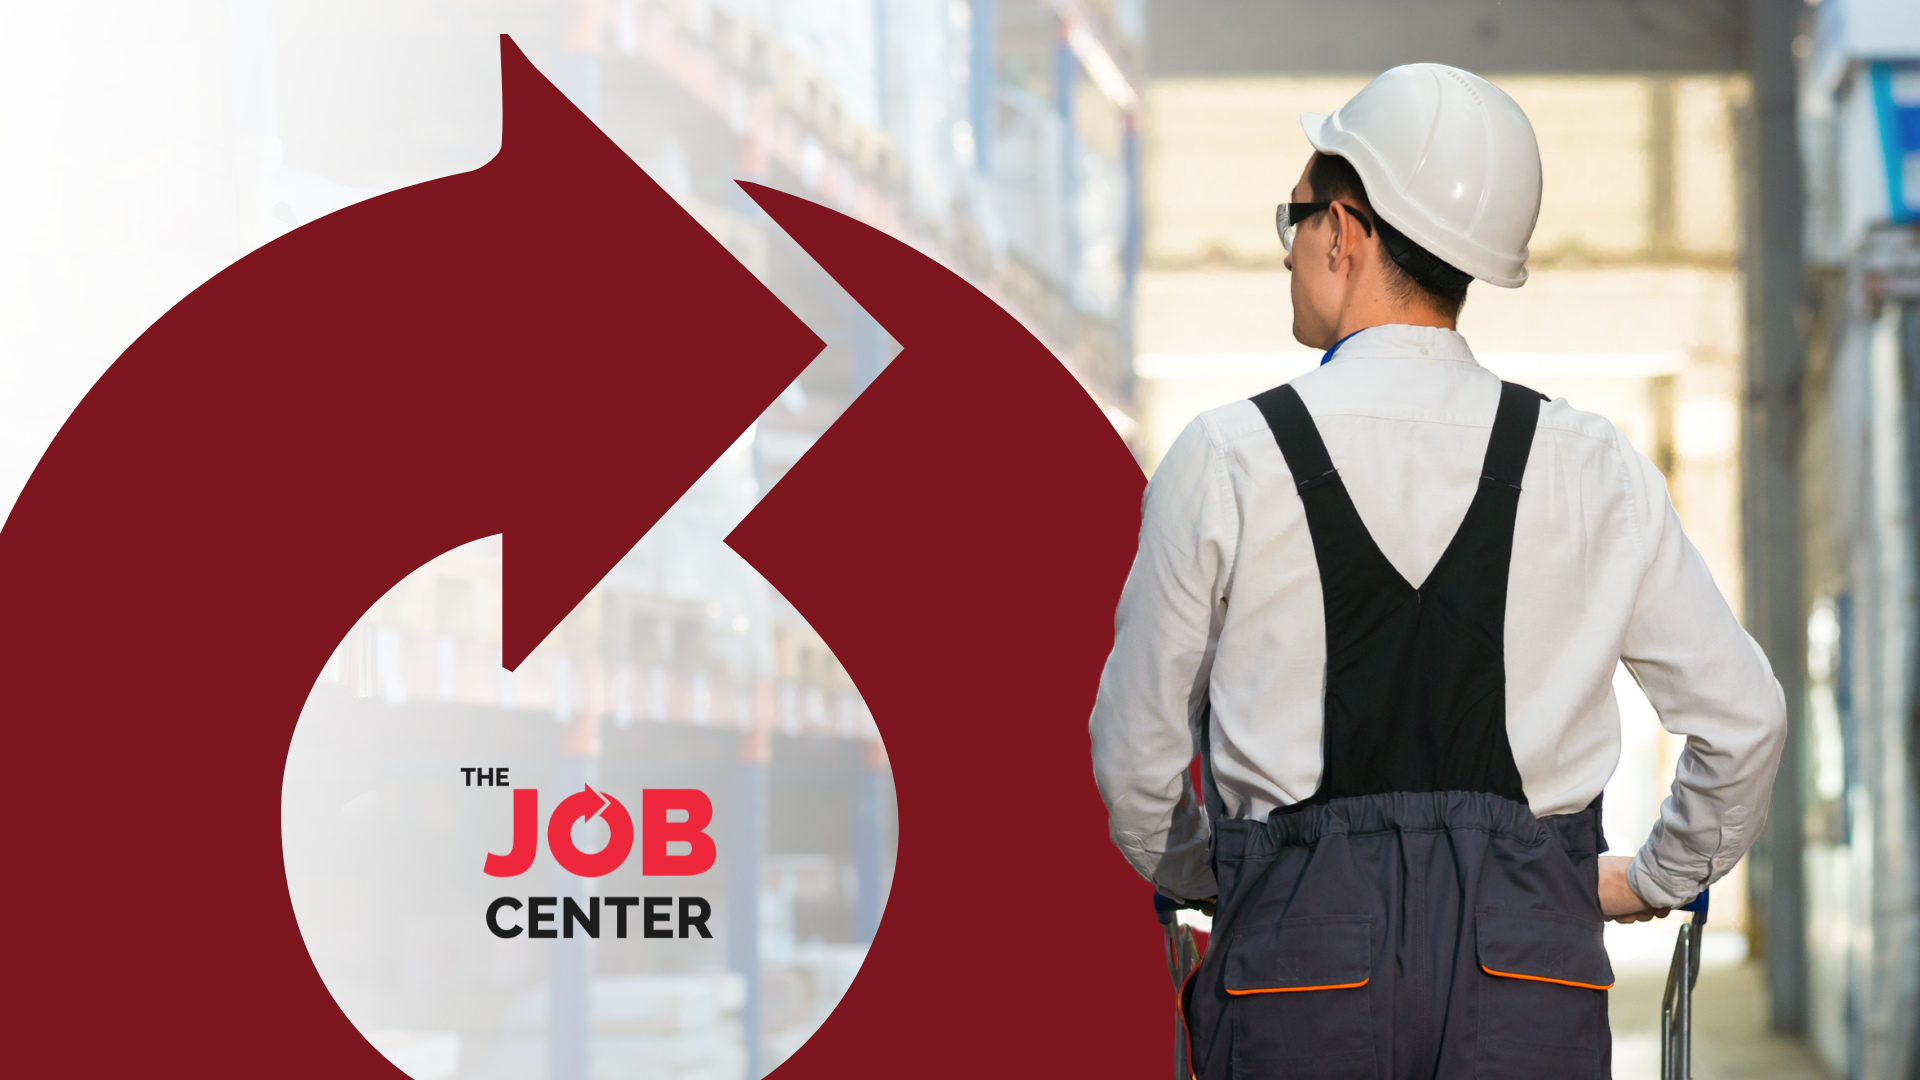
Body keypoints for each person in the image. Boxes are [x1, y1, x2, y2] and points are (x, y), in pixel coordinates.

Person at [1089, 64, 1786, 1078]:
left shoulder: (1225, 459)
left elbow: (1133, 761)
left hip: (1297, 978)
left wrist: (1233, 874)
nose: (1290, 253)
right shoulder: (1591, 465)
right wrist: (1651, 878)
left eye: (1295, 221)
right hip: (1529, 975)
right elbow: (1745, 721)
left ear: (1347, 232)